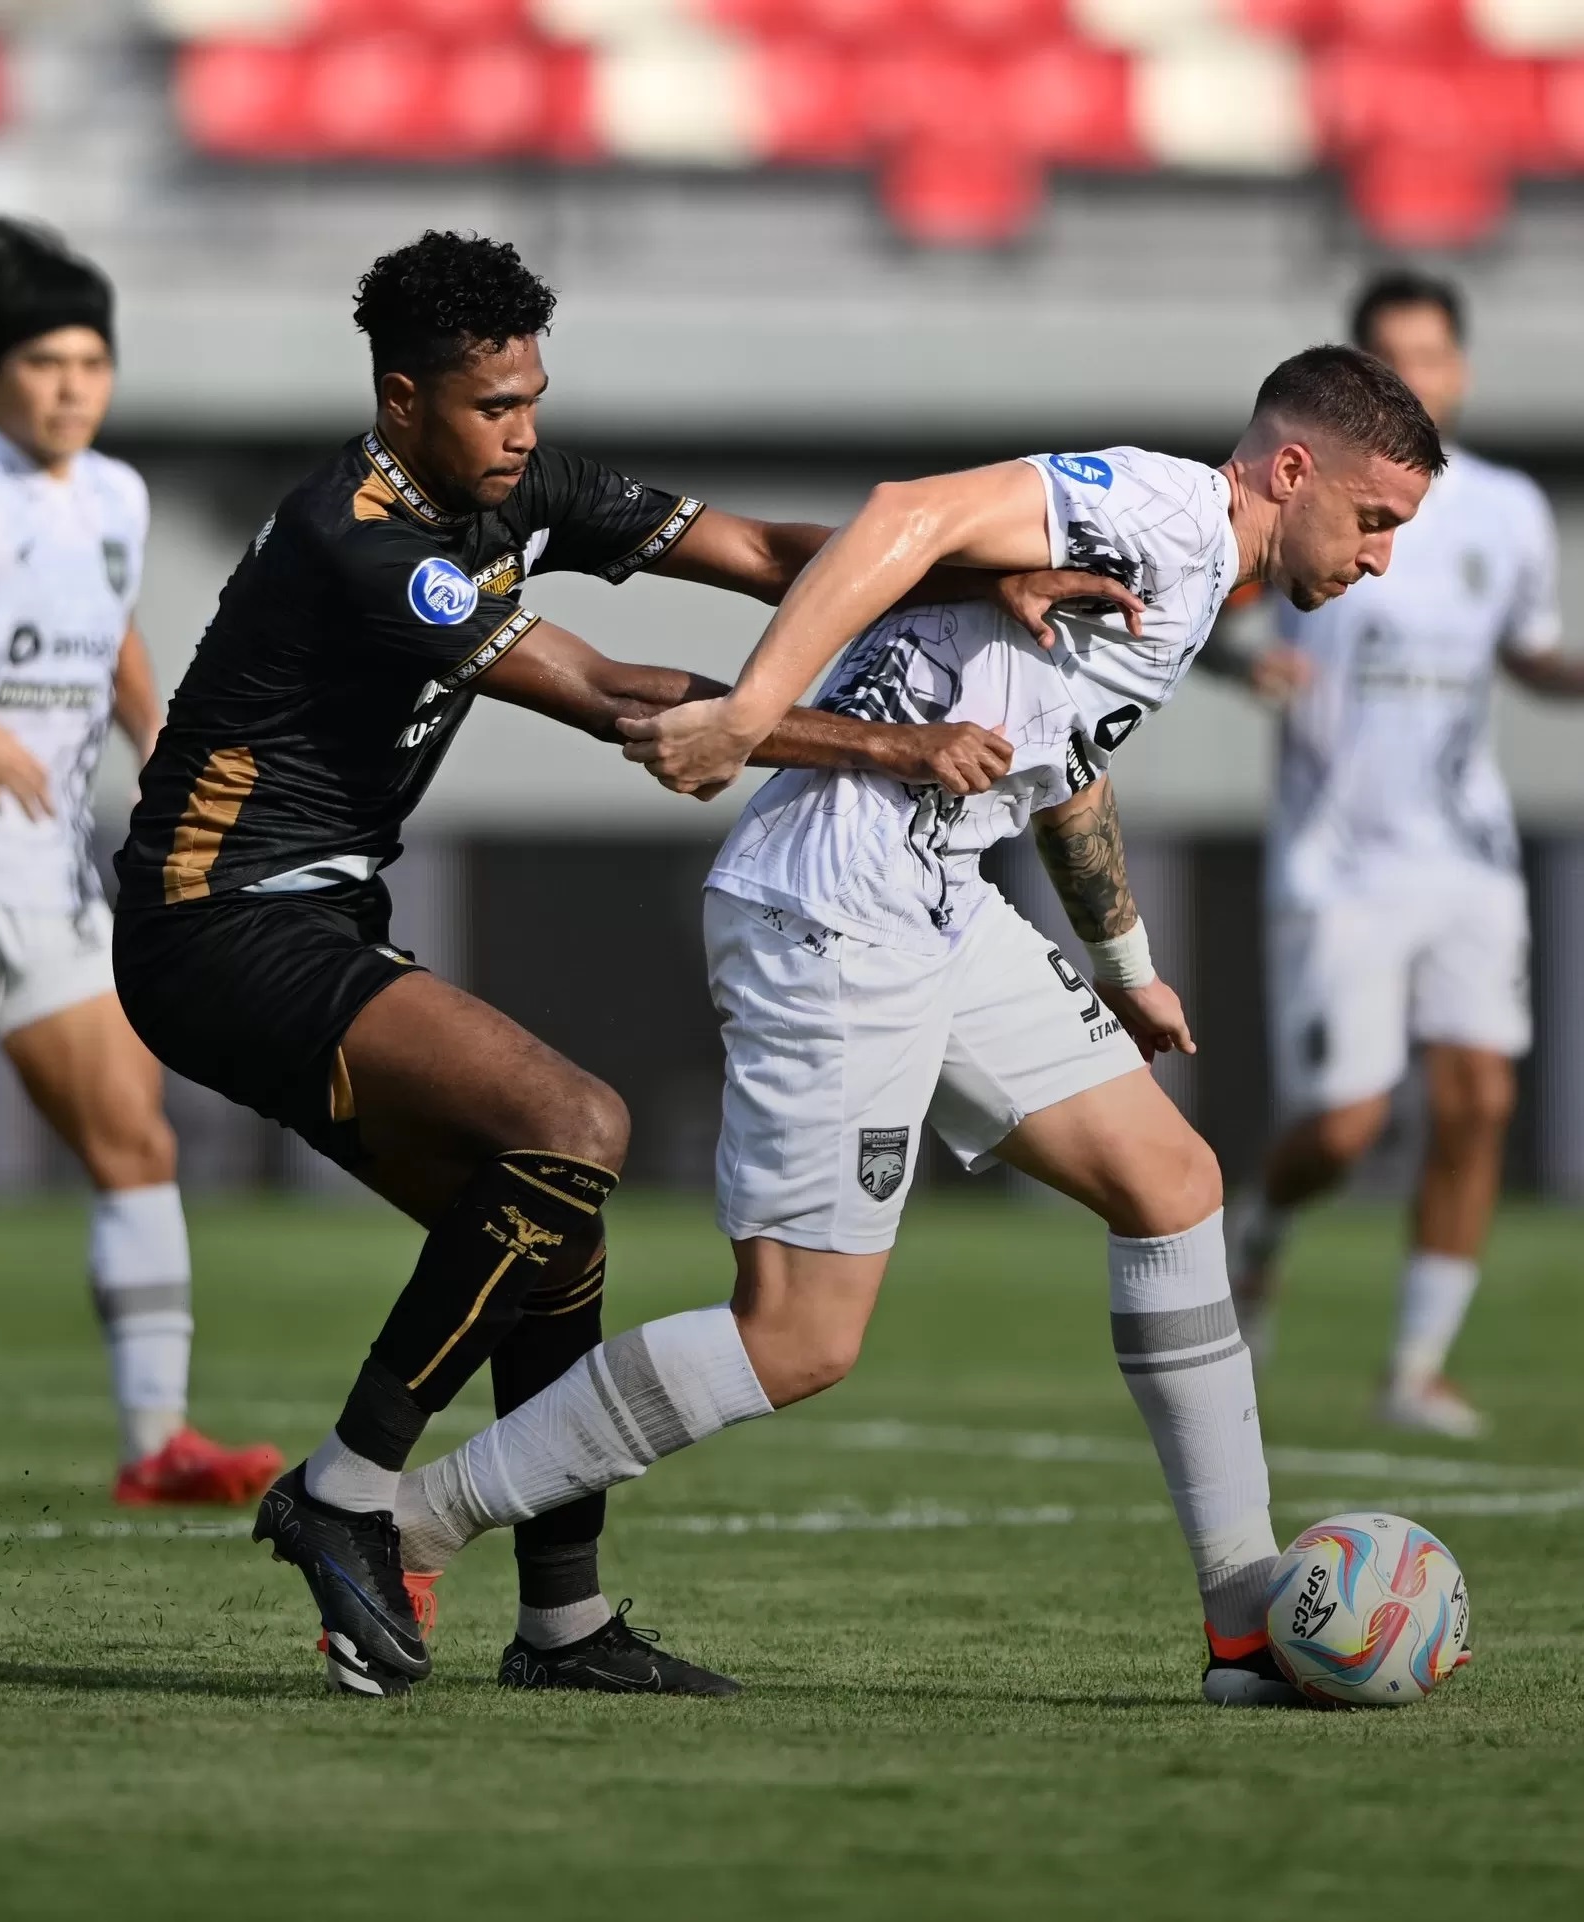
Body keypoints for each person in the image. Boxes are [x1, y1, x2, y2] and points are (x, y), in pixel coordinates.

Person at [109, 229, 1120, 1697]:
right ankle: (341, 1491)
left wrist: (977, 578)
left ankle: (563, 1629)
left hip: (312, 916)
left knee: (555, 1224)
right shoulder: (362, 535)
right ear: (401, 401)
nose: (520, 434)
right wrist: (891, 747)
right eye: (488, 407)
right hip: (215, 921)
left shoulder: (527, 484)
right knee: (574, 1124)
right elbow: (609, 692)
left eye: (529, 398)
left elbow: (779, 559)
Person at [386, 347, 1444, 1707]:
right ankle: (414, 1519)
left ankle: (1243, 1614)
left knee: (1172, 1184)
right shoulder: (1166, 509)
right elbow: (901, 515)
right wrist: (750, 711)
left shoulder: (1191, 580)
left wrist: (1121, 958)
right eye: (1373, 519)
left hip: (941, 894)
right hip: (837, 899)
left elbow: (1065, 769)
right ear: (1290, 471)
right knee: (799, 1337)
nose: (1378, 559)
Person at [1211, 273, 1584, 1439]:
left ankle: (1416, 1365)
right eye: (1391, 358)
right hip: (1342, 855)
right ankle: (1263, 1229)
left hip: (1465, 847)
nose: (1417, 377)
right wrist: (1243, 664)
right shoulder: (1313, 494)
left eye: (1432, 355)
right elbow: (1212, 606)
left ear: (1461, 368)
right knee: (1345, 1122)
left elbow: (1527, 650)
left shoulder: (1511, 511)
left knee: (1479, 1096)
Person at [0, 217, 282, 1505]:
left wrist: (153, 733)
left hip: (47, 885)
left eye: (93, 360)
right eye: (45, 361)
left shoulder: (114, 498)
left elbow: (112, 626)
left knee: (136, 1144)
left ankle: (159, 1442)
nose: (73, 384)